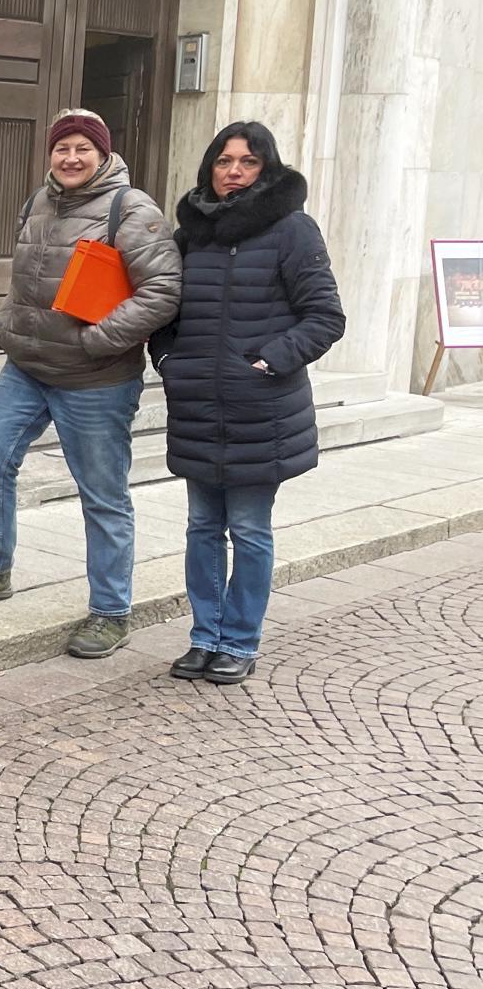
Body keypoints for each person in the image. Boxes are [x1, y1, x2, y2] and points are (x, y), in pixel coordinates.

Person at [0, 109, 182, 659]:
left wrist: (97, 341)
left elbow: (164, 290)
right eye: (62, 148)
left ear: (102, 153)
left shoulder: (131, 209)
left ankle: (111, 611)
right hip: (28, 369)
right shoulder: (38, 201)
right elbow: (26, 279)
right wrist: (6, 325)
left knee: (103, 496)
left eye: (82, 148)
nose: (71, 158)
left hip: (95, 379)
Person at [150, 122, 345, 685]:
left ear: (268, 169)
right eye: (224, 161)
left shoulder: (293, 231)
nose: (233, 171)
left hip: (263, 411)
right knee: (201, 528)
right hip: (198, 408)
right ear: (209, 167)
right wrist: (168, 361)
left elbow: (326, 318)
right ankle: (204, 636)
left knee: (249, 529)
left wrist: (267, 361)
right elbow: (165, 313)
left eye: (248, 162)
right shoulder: (190, 234)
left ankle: (239, 640)